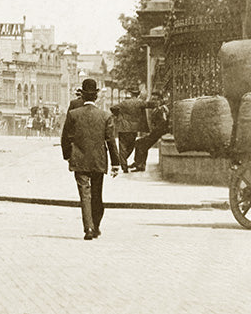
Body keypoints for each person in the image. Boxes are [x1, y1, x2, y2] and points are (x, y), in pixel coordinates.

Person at [60, 78, 122, 240]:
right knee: (97, 194)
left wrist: (68, 155)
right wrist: (116, 163)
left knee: (84, 195)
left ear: (83, 95)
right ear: (95, 97)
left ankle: (88, 227)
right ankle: (96, 226)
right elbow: (110, 142)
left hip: (79, 160)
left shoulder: (74, 114)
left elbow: (65, 137)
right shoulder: (105, 116)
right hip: (98, 160)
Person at [110, 86, 152, 172]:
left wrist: (119, 115)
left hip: (123, 127)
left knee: (122, 148)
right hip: (134, 128)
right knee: (131, 146)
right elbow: (149, 105)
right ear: (138, 94)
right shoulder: (140, 102)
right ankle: (123, 161)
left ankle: (124, 165)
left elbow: (113, 108)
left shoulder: (124, 103)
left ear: (131, 94)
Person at [129, 90, 170, 172]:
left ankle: (140, 165)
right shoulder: (157, 108)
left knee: (141, 144)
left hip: (158, 132)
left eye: (156, 99)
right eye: (153, 99)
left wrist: (154, 132)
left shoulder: (162, 109)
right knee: (140, 143)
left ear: (160, 100)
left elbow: (163, 122)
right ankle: (139, 163)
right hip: (156, 132)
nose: (154, 101)